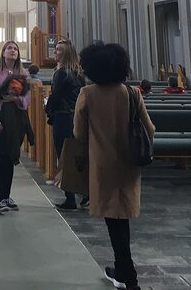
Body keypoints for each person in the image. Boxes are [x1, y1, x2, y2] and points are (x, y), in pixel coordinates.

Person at [74, 41, 155, 290]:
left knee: (114, 219)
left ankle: (127, 274)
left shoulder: (88, 94)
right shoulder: (131, 93)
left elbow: (79, 133)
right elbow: (150, 129)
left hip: (103, 165)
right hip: (128, 163)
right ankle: (123, 270)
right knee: (121, 218)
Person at [0, 40, 31, 214]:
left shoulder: (22, 72)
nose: (13, 50)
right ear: (3, 53)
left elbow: (26, 101)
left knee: (10, 157)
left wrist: (16, 99)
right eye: (9, 48)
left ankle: (7, 196)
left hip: (16, 119)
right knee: (1, 156)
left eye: (15, 48)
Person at [45, 38, 86, 211]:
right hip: (75, 117)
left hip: (63, 117)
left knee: (63, 157)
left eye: (59, 50)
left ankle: (70, 198)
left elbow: (56, 96)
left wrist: (48, 108)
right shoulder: (78, 73)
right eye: (55, 49)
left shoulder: (61, 73)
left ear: (67, 53)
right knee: (75, 156)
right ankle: (85, 195)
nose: (55, 52)